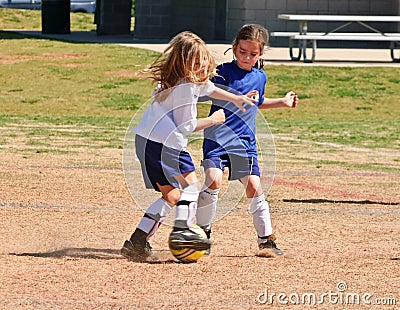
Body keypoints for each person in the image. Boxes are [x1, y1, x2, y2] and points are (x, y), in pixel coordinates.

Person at [121, 31, 256, 261]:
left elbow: (209, 89)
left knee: (174, 195)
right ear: (183, 64)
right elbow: (187, 126)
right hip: (161, 144)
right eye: (195, 62)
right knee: (188, 189)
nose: (202, 65)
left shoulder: (187, 81)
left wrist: (236, 98)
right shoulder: (184, 88)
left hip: (154, 141)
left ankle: (138, 240)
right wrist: (214, 120)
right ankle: (182, 234)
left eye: (203, 59)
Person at [196, 24, 298, 257]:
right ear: (234, 48)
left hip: (243, 142)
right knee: (213, 179)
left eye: (253, 54)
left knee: (253, 186)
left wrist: (281, 102)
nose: (247, 57)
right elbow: (201, 92)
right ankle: (202, 234)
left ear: (260, 54)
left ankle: (266, 241)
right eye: (242, 52)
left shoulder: (260, 77)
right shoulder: (221, 72)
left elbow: (256, 102)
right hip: (217, 139)